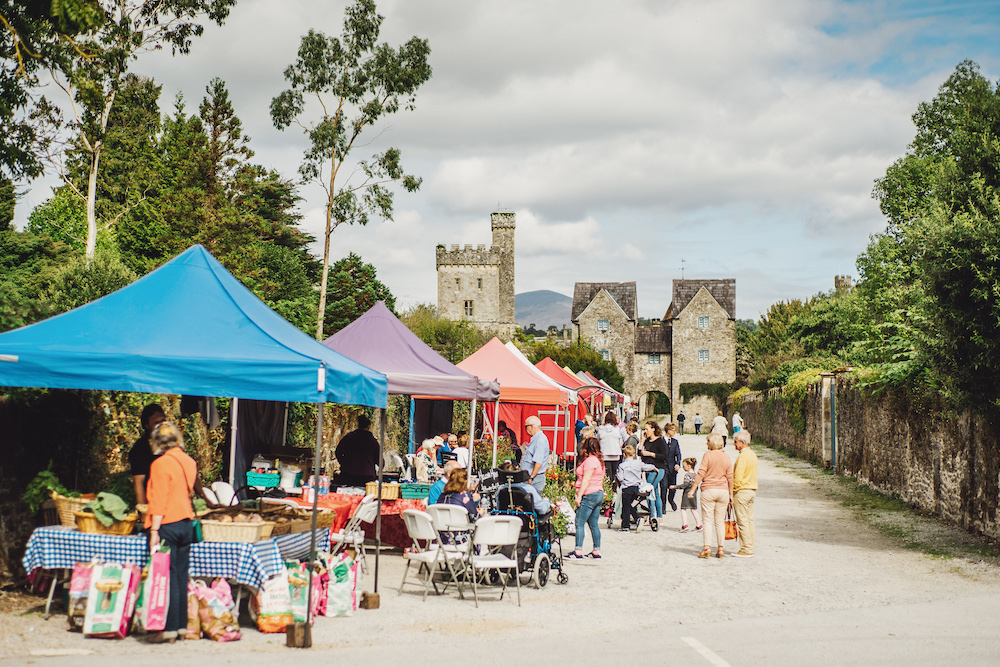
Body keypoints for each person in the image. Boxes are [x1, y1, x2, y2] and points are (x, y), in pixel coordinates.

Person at [145, 422, 197, 644]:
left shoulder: (160, 464)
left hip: (168, 523)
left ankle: (168, 628)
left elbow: (159, 499)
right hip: (187, 524)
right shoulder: (189, 461)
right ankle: (181, 627)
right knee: (180, 575)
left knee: (165, 577)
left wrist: (154, 530)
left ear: (157, 442)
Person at [689, 433, 733, 558]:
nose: (706, 443)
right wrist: (731, 494)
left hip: (709, 490)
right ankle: (720, 548)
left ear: (712, 442)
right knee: (719, 521)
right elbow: (730, 476)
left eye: (707, 441)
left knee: (707, 520)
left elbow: (701, 473)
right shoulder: (726, 457)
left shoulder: (707, 455)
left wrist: (693, 489)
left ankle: (707, 548)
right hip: (723, 491)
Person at [566, 437, 605, 560]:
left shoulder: (590, 461)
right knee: (593, 524)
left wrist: (579, 496)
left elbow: (586, 480)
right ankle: (596, 550)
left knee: (579, 522)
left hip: (589, 494)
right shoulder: (599, 461)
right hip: (598, 493)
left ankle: (578, 551)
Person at [129, 404, 167, 505]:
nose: (161, 425)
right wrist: (143, 512)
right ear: (146, 425)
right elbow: (138, 481)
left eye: (163, 421)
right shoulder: (140, 449)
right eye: (156, 422)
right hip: (155, 503)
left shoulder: (171, 442)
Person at [615, 444, 655, 532]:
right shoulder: (638, 463)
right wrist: (653, 467)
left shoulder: (622, 465)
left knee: (626, 506)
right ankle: (637, 518)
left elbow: (621, 478)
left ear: (624, 455)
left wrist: (617, 475)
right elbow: (646, 467)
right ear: (634, 455)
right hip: (636, 487)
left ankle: (626, 526)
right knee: (629, 505)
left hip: (627, 487)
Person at [334, 414, 379, 488]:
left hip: (348, 475)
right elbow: (380, 461)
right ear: (369, 426)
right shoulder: (372, 441)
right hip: (367, 478)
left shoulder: (349, 437)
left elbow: (338, 452)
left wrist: (344, 464)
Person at [732, 430, 758, 558]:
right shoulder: (753, 455)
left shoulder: (742, 456)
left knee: (742, 521)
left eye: (736, 442)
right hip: (752, 490)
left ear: (742, 442)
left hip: (742, 491)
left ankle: (746, 548)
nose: (734, 444)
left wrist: (733, 491)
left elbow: (738, 477)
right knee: (749, 521)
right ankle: (750, 545)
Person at [637, 420, 666, 518]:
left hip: (657, 469)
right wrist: (642, 441)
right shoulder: (647, 441)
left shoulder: (660, 441)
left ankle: (652, 515)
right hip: (648, 469)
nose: (646, 431)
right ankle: (659, 516)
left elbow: (664, 456)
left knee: (648, 491)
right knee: (655, 492)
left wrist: (650, 454)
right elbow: (639, 453)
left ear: (653, 429)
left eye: (647, 429)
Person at [670, 457, 702, 532]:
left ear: (689, 466)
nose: (683, 468)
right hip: (694, 493)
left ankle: (685, 525)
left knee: (683, 509)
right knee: (693, 509)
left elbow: (685, 485)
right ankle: (699, 525)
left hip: (687, 493)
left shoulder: (687, 475)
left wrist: (675, 487)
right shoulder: (696, 475)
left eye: (684, 466)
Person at [521, 415, 550, 494]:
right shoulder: (536, 439)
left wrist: (531, 477)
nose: (526, 429)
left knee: (531, 503)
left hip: (534, 479)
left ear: (531, 426)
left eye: (526, 426)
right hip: (532, 478)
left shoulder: (540, 440)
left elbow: (538, 462)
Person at [596, 411, 624, 491]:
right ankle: (614, 490)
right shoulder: (617, 429)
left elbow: (598, 440)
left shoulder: (601, 429)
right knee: (615, 473)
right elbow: (620, 441)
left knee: (607, 475)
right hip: (615, 454)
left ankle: (608, 490)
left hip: (604, 454)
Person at [663, 424, 682, 511]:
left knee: (672, 487)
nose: (675, 432)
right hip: (663, 467)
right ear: (668, 430)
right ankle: (663, 505)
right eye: (673, 430)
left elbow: (678, 454)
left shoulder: (675, 442)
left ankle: (671, 499)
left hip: (672, 467)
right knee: (663, 486)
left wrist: (677, 463)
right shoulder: (661, 441)